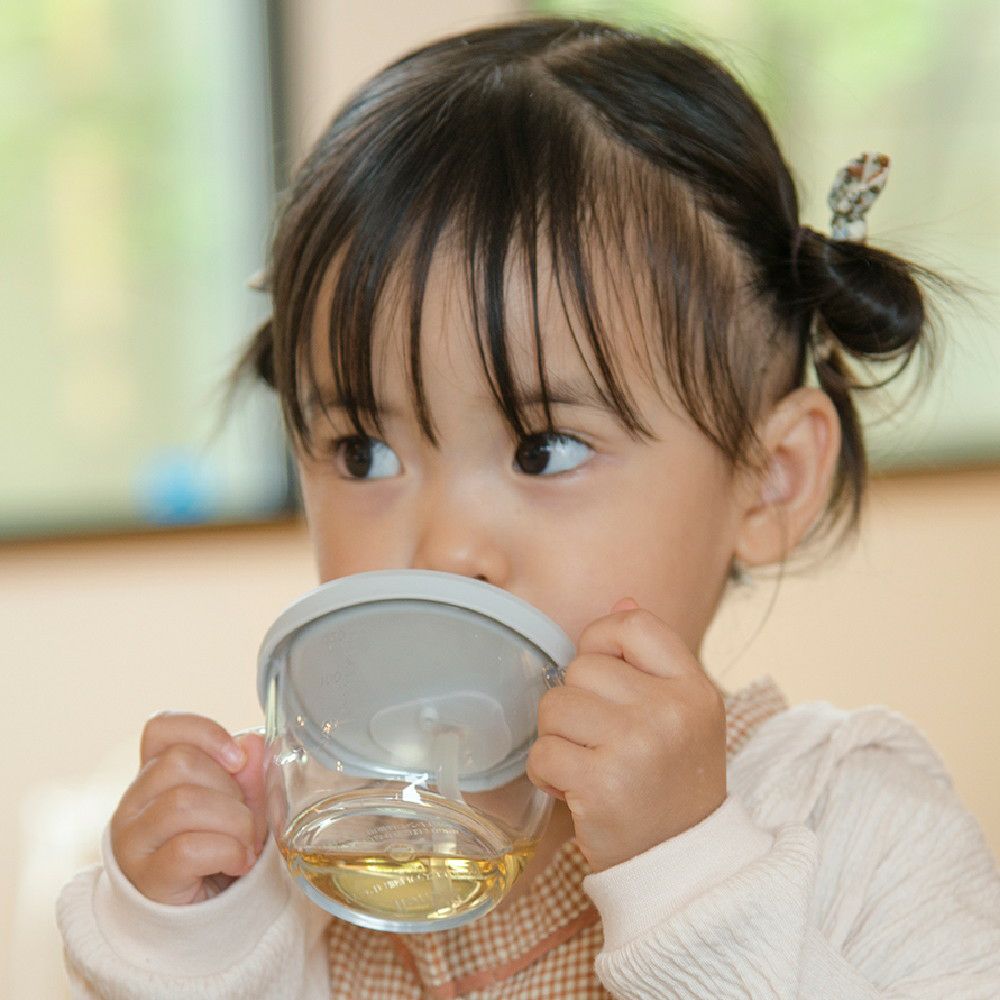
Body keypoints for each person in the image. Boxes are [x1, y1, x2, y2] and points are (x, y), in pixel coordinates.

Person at [57, 16, 1000, 999]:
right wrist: (187, 940)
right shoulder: (302, 854)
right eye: (363, 451)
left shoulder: (852, 814)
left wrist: (687, 871)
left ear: (771, 480)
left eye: (542, 449)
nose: (444, 547)